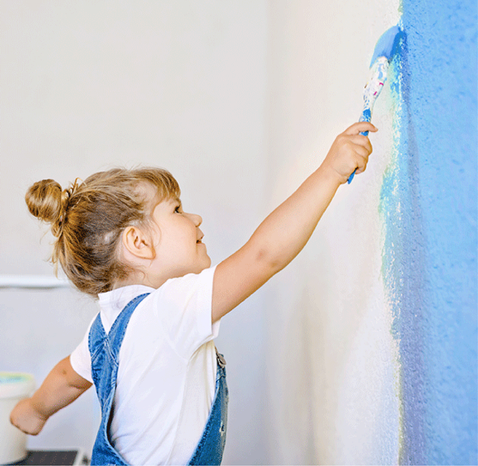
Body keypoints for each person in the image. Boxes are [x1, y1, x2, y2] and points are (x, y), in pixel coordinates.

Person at [10, 122, 376, 465]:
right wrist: (330, 172)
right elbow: (263, 256)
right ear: (139, 242)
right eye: (177, 209)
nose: (195, 219)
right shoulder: (168, 310)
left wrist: (34, 410)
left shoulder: (104, 330)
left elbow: (67, 377)